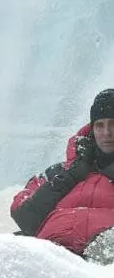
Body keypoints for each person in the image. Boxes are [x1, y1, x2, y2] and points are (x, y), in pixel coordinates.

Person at [10, 88, 114, 264]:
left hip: (103, 260)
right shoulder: (58, 172)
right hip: (51, 258)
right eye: (99, 125)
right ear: (92, 129)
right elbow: (24, 216)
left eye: (113, 124)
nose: (106, 132)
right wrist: (69, 176)